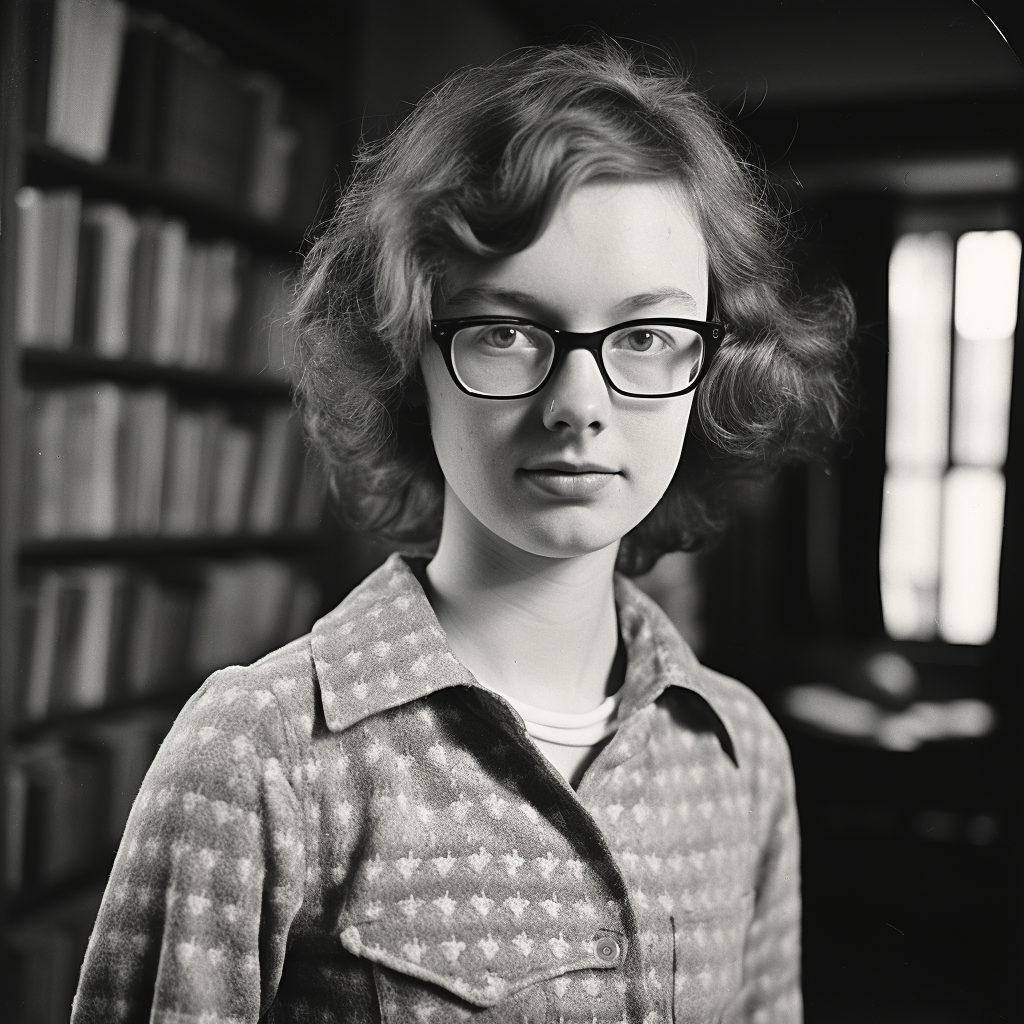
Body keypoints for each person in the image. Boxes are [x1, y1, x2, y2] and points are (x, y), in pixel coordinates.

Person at [72, 40, 852, 1024]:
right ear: (411, 355)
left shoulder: (742, 752)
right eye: (505, 329)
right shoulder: (260, 751)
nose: (580, 404)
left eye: (646, 335)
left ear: (711, 365)